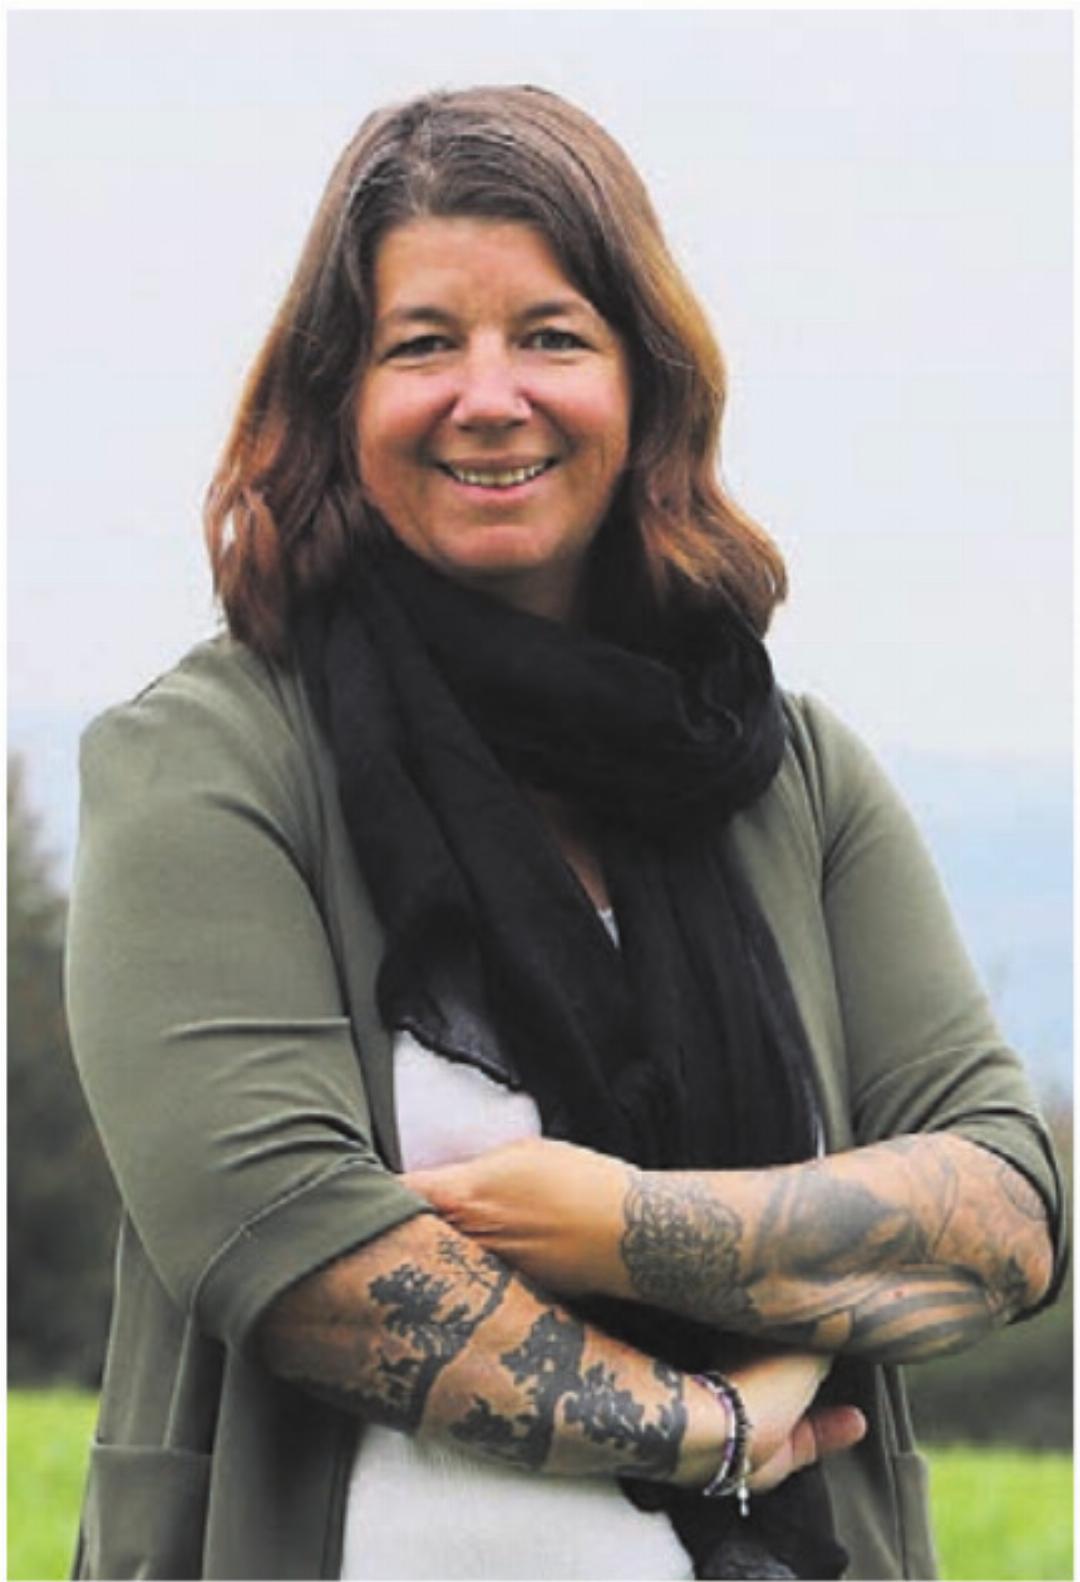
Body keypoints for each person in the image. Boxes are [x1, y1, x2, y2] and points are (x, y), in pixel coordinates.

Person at [66, 85, 1065, 1582]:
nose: (489, 395)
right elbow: (292, 1248)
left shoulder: (789, 774)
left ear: (647, 385)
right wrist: (708, 1423)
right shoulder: (207, 762)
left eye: (551, 335)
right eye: (423, 344)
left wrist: (628, 1225)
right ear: (338, 396)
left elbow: (1005, 1208)